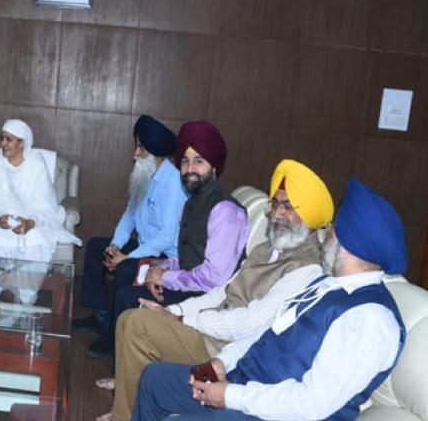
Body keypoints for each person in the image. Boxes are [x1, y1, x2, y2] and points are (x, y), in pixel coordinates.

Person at [132, 179, 406, 421]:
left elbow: (311, 404)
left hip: (271, 412)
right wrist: (222, 363)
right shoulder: (326, 286)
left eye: (334, 229)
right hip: (244, 384)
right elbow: (267, 332)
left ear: (350, 242)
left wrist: (230, 396)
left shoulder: (370, 319)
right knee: (155, 379)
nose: (327, 235)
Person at [100, 159, 334, 421]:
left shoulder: (307, 269)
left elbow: (250, 324)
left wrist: (185, 319)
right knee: (134, 317)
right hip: (212, 332)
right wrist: (173, 310)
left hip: (225, 350)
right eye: (276, 204)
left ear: (310, 217)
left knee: (137, 324)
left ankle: (124, 415)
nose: (278, 214)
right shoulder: (266, 249)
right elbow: (223, 291)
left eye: (288, 207)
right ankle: (127, 410)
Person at [74, 115, 187, 356]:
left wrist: (127, 258)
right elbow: (129, 217)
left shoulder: (174, 183)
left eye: (141, 148)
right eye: (136, 147)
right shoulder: (144, 175)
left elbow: (166, 238)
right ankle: (101, 315)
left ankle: (112, 337)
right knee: (97, 247)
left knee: (126, 269)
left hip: (166, 256)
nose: (135, 154)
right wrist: (115, 247)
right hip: (145, 246)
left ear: (156, 153)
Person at [0, 119, 81, 261]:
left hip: (32, 223)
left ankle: (28, 276)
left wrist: (30, 222)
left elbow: (46, 207)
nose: (3, 144)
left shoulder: (36, 165)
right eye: (2, 138)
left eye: (8, 140)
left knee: (36, 240)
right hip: (2, 224)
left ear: (22, 143)